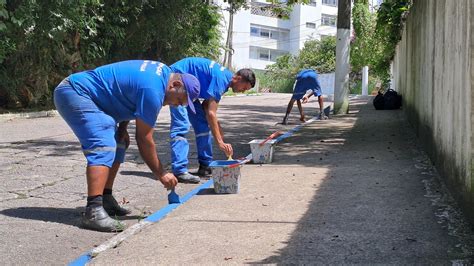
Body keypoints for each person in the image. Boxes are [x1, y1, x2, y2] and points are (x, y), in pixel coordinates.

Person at [53, 60, 200, 232]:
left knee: (119, 141)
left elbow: (127, 94)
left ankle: (105, 198)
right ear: (175, 85)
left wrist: (122, 128)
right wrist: (162, 173)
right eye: (179, 100)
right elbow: (144, 138)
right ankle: (93, 211)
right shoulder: (153, 90)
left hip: (89, 96)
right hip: (76, 92)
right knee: (103, 142)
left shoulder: (163, 74)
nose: (175, 105)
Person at [168, 57, 256, 183]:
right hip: (177, 79)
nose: (242, 91)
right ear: (238, 78)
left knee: (202, 125)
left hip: (189, 91)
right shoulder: (222, 79)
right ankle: (179, 170)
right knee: (181, 125)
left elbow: (206, 106)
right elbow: (210, 112)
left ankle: (205, 165)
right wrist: (220, 142)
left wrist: (218, 129)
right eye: (243, 88)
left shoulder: (225, 80)